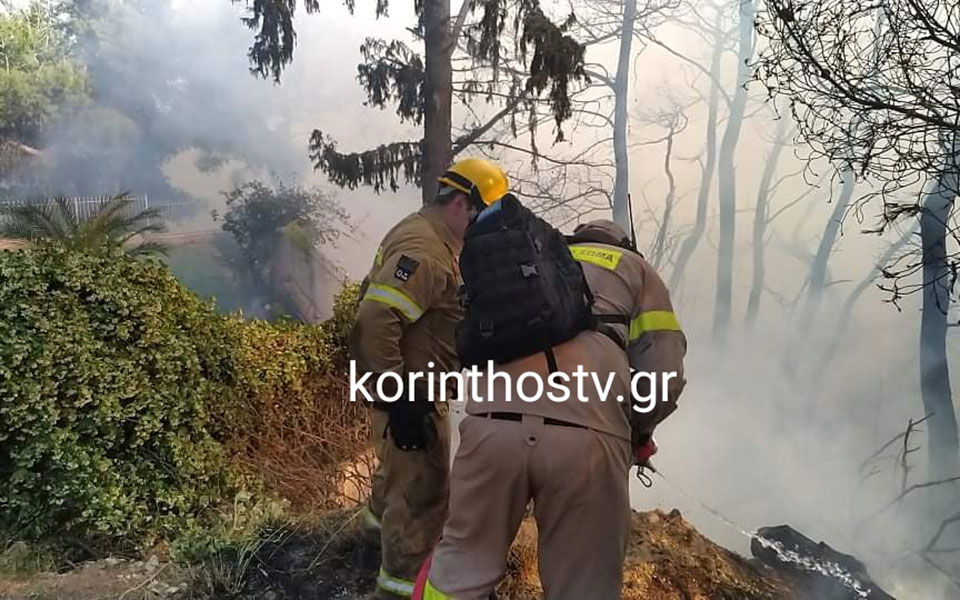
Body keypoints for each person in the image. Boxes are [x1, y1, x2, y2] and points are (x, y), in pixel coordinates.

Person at [415, 217, 687, 600]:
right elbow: (664, 375)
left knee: (461, 564)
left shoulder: (534, 258)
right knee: (583, 584)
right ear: (625, 244)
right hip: (587, 442)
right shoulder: (637, 270)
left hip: (491, 428)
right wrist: (639, 432)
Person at [350, 157, 510, 599]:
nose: (486, 228)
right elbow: (374, 318)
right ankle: (400, 588)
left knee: (396, 483)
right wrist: (399, 396)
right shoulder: (424, 250)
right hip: (410, 396)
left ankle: (367, 553)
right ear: (460, 203)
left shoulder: (437, 240)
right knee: (423, 496)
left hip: (411, 391)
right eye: (483, 215)